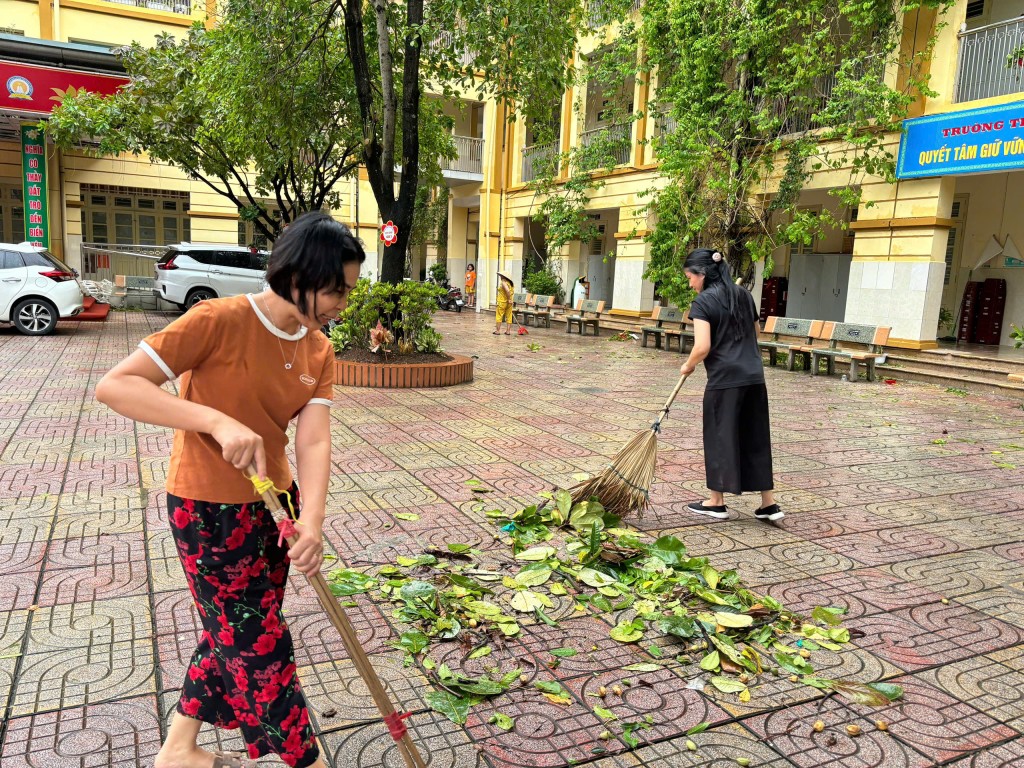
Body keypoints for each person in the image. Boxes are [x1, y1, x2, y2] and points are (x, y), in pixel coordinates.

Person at [96, 211, 364, 768]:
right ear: (298, 278)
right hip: (205, 510)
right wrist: (213, 420)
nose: (343, 303)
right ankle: (303, 760)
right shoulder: (215, 320)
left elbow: (313, 442)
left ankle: (178, 750)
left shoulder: (319, 349)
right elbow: (115, 386)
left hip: (275, 509)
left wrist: (310, 521)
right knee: (260, 643)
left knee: (236, 627)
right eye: (336, 290)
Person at [678, 248, 783, 522]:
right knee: (756, 437)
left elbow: (702, 347)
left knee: (720, 436)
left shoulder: (702, 302)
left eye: (690, 277)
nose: (690, 283)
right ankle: (768, 504)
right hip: (753, 376)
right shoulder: (744, 295)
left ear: (702, 275)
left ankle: (716, 502)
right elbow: (755, 334)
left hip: (725, 379)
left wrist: (688, 366)